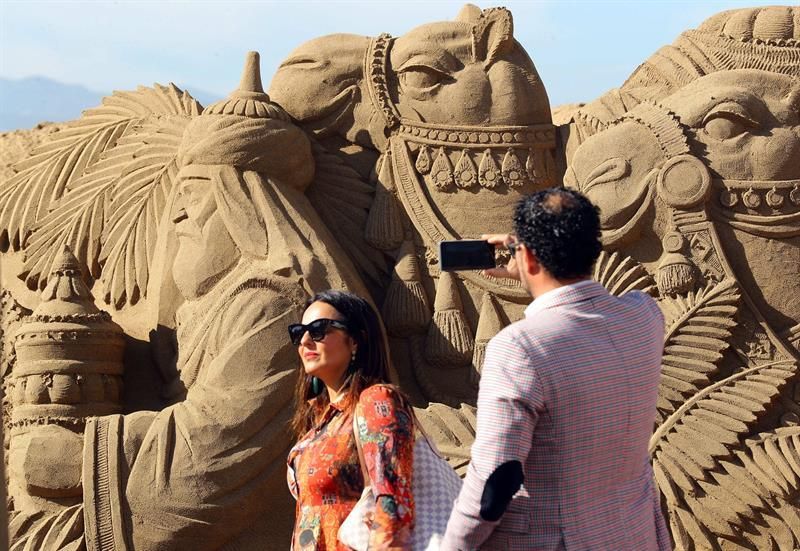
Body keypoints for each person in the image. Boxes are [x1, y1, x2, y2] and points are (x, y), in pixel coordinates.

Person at [441, 188, 671, 550]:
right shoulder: (644, 316)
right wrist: (532, 259)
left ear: (527, 256)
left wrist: (449, 546)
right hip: (635, 535)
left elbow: (494, 483)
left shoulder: (519, 348)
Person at [287, 290, 416, 550]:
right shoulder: (321, 419)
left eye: (319, 329)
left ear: (355, 340)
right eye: (299, 331)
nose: (305, 340)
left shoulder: (376, 401)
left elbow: (392, 503)